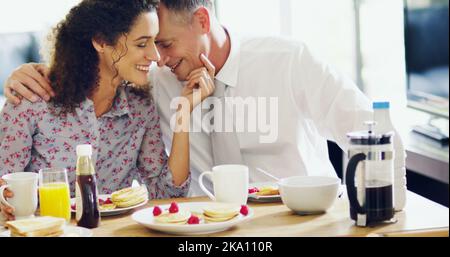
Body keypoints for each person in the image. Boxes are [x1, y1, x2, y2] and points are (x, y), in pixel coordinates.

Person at [3, 0, 406, 200]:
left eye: (164, 43)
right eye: (149, 45)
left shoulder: (288, 60)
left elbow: (372, 129)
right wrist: (31, 73)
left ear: (201, 21)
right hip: (198, 232)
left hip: (294, 221)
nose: (158, 57)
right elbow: (98, 66)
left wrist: (387, 205)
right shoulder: (154, 80)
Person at [0, 0, 216, 221]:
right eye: (142, 44)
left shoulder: (139, 107)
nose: (155, 56)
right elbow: (4, 190)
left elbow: (167, 193)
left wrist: (183, 113)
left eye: (155, 42)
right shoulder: (32, 100)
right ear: (101, 42)